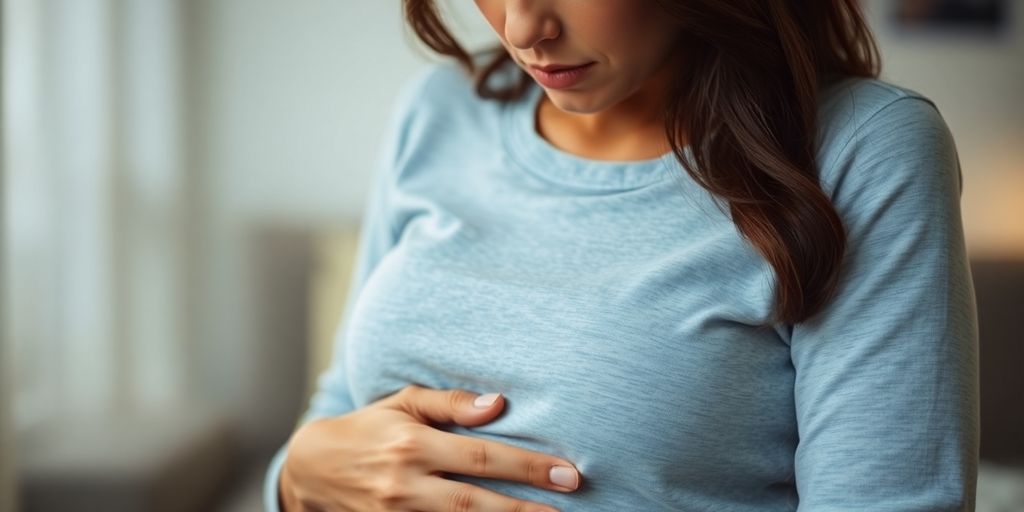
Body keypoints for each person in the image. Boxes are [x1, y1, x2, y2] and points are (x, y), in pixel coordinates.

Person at [265, 0, 980, 510]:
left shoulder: (864, 149)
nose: (523, 28)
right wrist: (294, 480)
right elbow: (339, 413)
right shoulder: (443, 108)